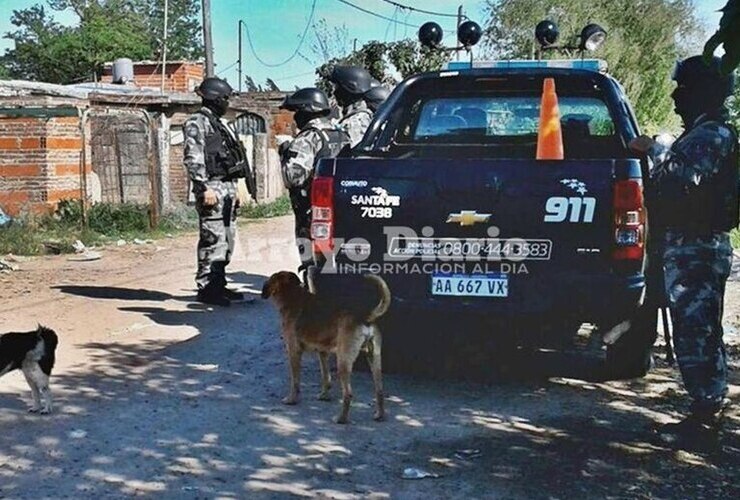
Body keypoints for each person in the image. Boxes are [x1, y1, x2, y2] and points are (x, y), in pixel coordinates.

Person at [631, 55, 738, 446]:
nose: (675, 96)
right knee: (696, 329)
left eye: (682, 89)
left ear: (700, 93)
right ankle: (705, 411)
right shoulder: (703, 133)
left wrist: (656, 149)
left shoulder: (711, 135)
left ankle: (706, 418)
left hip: (697, 247)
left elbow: (680, 180)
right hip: (689, 245)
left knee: (696, 331)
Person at [184, 77, 252, 307]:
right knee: (212, 239)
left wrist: (238, 188)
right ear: (215, 98)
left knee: (227, 239)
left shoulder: (219, 123)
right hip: (212, 187)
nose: (228, 103)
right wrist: (203, 187)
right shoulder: (197, 122)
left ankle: (218, 283)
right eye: (225, 98)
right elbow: (193, 158)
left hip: (227, 187)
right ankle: (206, 287)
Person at [279, 88, 349, 281]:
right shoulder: (340, 134)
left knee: (313, 262)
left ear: (305, 111)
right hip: (341, 205)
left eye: (297, 112)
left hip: (312, 209)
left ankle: (316, 296)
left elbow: (293, 177)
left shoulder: (309, 137)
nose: (295, 117)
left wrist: (285, 153)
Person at [329, 66, 374, 147]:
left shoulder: (355, 122)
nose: (334, 92)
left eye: (337, 87)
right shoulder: (364, 117)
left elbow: (355, 156)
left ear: (348, 89)